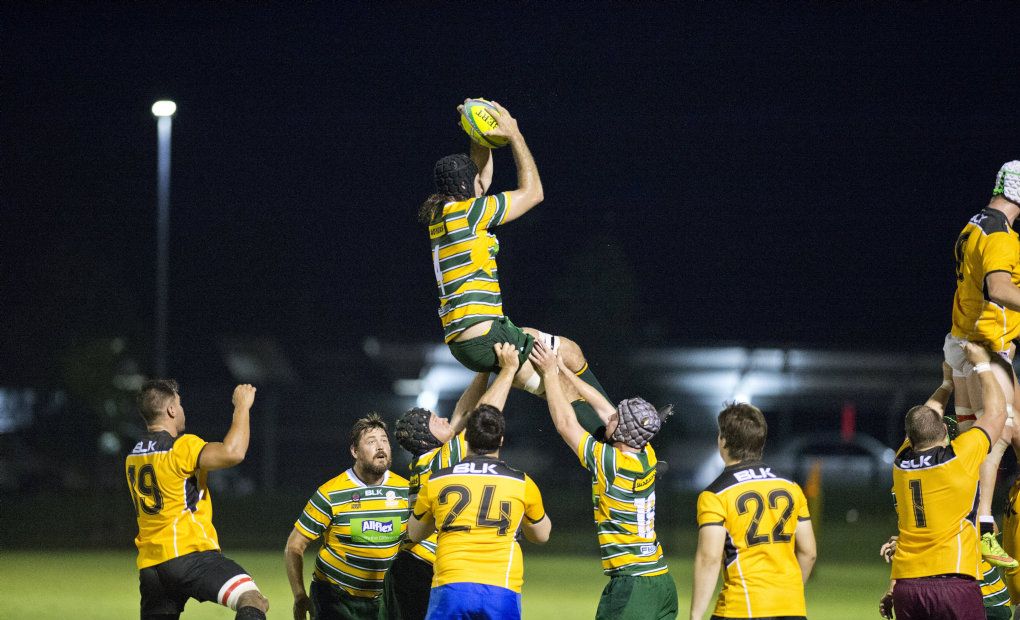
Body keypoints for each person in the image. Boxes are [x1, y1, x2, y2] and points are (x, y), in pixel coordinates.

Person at [420, 99, 608, 434]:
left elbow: (477, 177)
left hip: (471, 335)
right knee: (560, 381)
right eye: (477, 185)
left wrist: (478, 132)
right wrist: (514, 134)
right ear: (468, 190)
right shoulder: (467, 213)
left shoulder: (443, 212)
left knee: (567, 350)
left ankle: (614, 420)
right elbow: (533, 193)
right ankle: (616, 442)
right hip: (484, 335)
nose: (483, 185)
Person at [530, 341, 678, 620]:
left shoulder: (611, 464)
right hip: (660, 580)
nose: (608, 416)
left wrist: (551, 374)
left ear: (622, 432)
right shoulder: (646, 453)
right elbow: (599, 404)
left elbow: (566, 425)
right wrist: (566, 370)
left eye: (615, 418)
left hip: (632, 584)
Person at [382, 343, 519, 620]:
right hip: (419, 568)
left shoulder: (433, 458)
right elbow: (483, 414)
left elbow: (464, 411)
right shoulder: (439, 458)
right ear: (425, 437)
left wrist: (483, 369)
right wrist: (507, 370)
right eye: (435, 420)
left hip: (414, 566)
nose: (445, 418)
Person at [879, 342, 1008, 620]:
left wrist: (947, 383)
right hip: (954, 580)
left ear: (910, 439)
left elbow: (924, 418)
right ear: (943, 430)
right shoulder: (959, 457)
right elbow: (996, 413)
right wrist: (983, 364)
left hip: (907, 585)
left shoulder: (901, 462)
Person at [125, 380, 269, 620]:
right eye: (179, 405)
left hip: (152, 565)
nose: (182, 410)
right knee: (252, 600)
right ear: (171, 410)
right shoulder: (180, 447)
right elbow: (233, 452)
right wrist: (242, 407)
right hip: (189, 554)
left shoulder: (134, 455)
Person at [407, 404, 551, 620]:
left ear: (466, 439)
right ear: (501, 439)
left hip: (451, 583)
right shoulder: (522, 483)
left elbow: (415, 533)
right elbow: (541, 535)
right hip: (501, 587)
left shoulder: (436, 480)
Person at [945, 160, 1020, 567]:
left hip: (961, 340)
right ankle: (984, 525)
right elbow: (999, 288)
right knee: (998, 431)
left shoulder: (974, 223)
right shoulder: (1000, 234)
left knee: (973, 436)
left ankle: (964, 522)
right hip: (986, 346)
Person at [688, 402, 816, 620]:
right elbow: (809, 552)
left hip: (742, 607)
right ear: (760, 442)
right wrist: (789, 596)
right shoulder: (792, 488)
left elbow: (710, 558)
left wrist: (695, 616)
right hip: (791, 608)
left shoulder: (715, 495)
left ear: (723, 441)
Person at [284, 414, 409, 620]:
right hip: (336, 599)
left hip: (384, 600)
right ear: (355, 451)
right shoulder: (331, 493)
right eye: (371, 441)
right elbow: (294, 545)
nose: (380, 446)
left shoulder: (405, 490)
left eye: (384, 440)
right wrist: (299, 594)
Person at [881, 537, 1011, 620]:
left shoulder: (951, 499)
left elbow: (985, 526)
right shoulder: (905, 498)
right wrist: (892, 589)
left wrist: (917, 543)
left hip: (987, 598)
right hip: (945, 595)